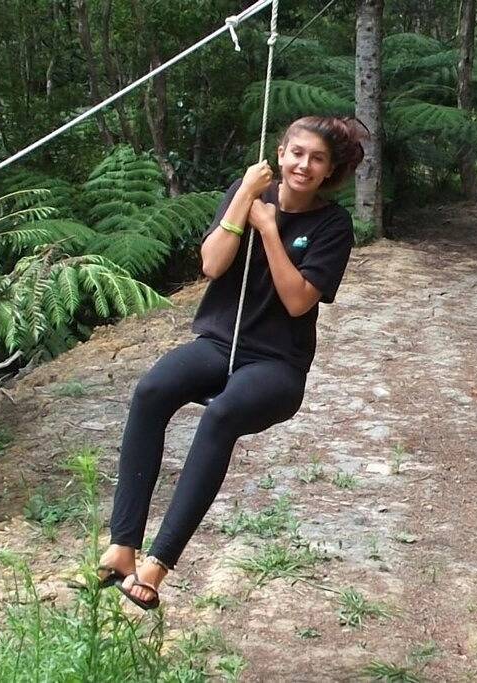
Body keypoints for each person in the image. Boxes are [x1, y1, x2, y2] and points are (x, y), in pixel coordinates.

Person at [97, 116, 368, 609]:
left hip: (276, 365)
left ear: (330, 170)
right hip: (219, 344)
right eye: (296, 153)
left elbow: (297, 302)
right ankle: (122, 545)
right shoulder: (245, 190)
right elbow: (212, 265)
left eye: (317, 158)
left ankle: (157, 564)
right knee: (151, 391)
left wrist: (268, 230)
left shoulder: (332, 225)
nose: (303, 165)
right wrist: (244, 198)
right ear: (280, 153)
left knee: (220, 416)